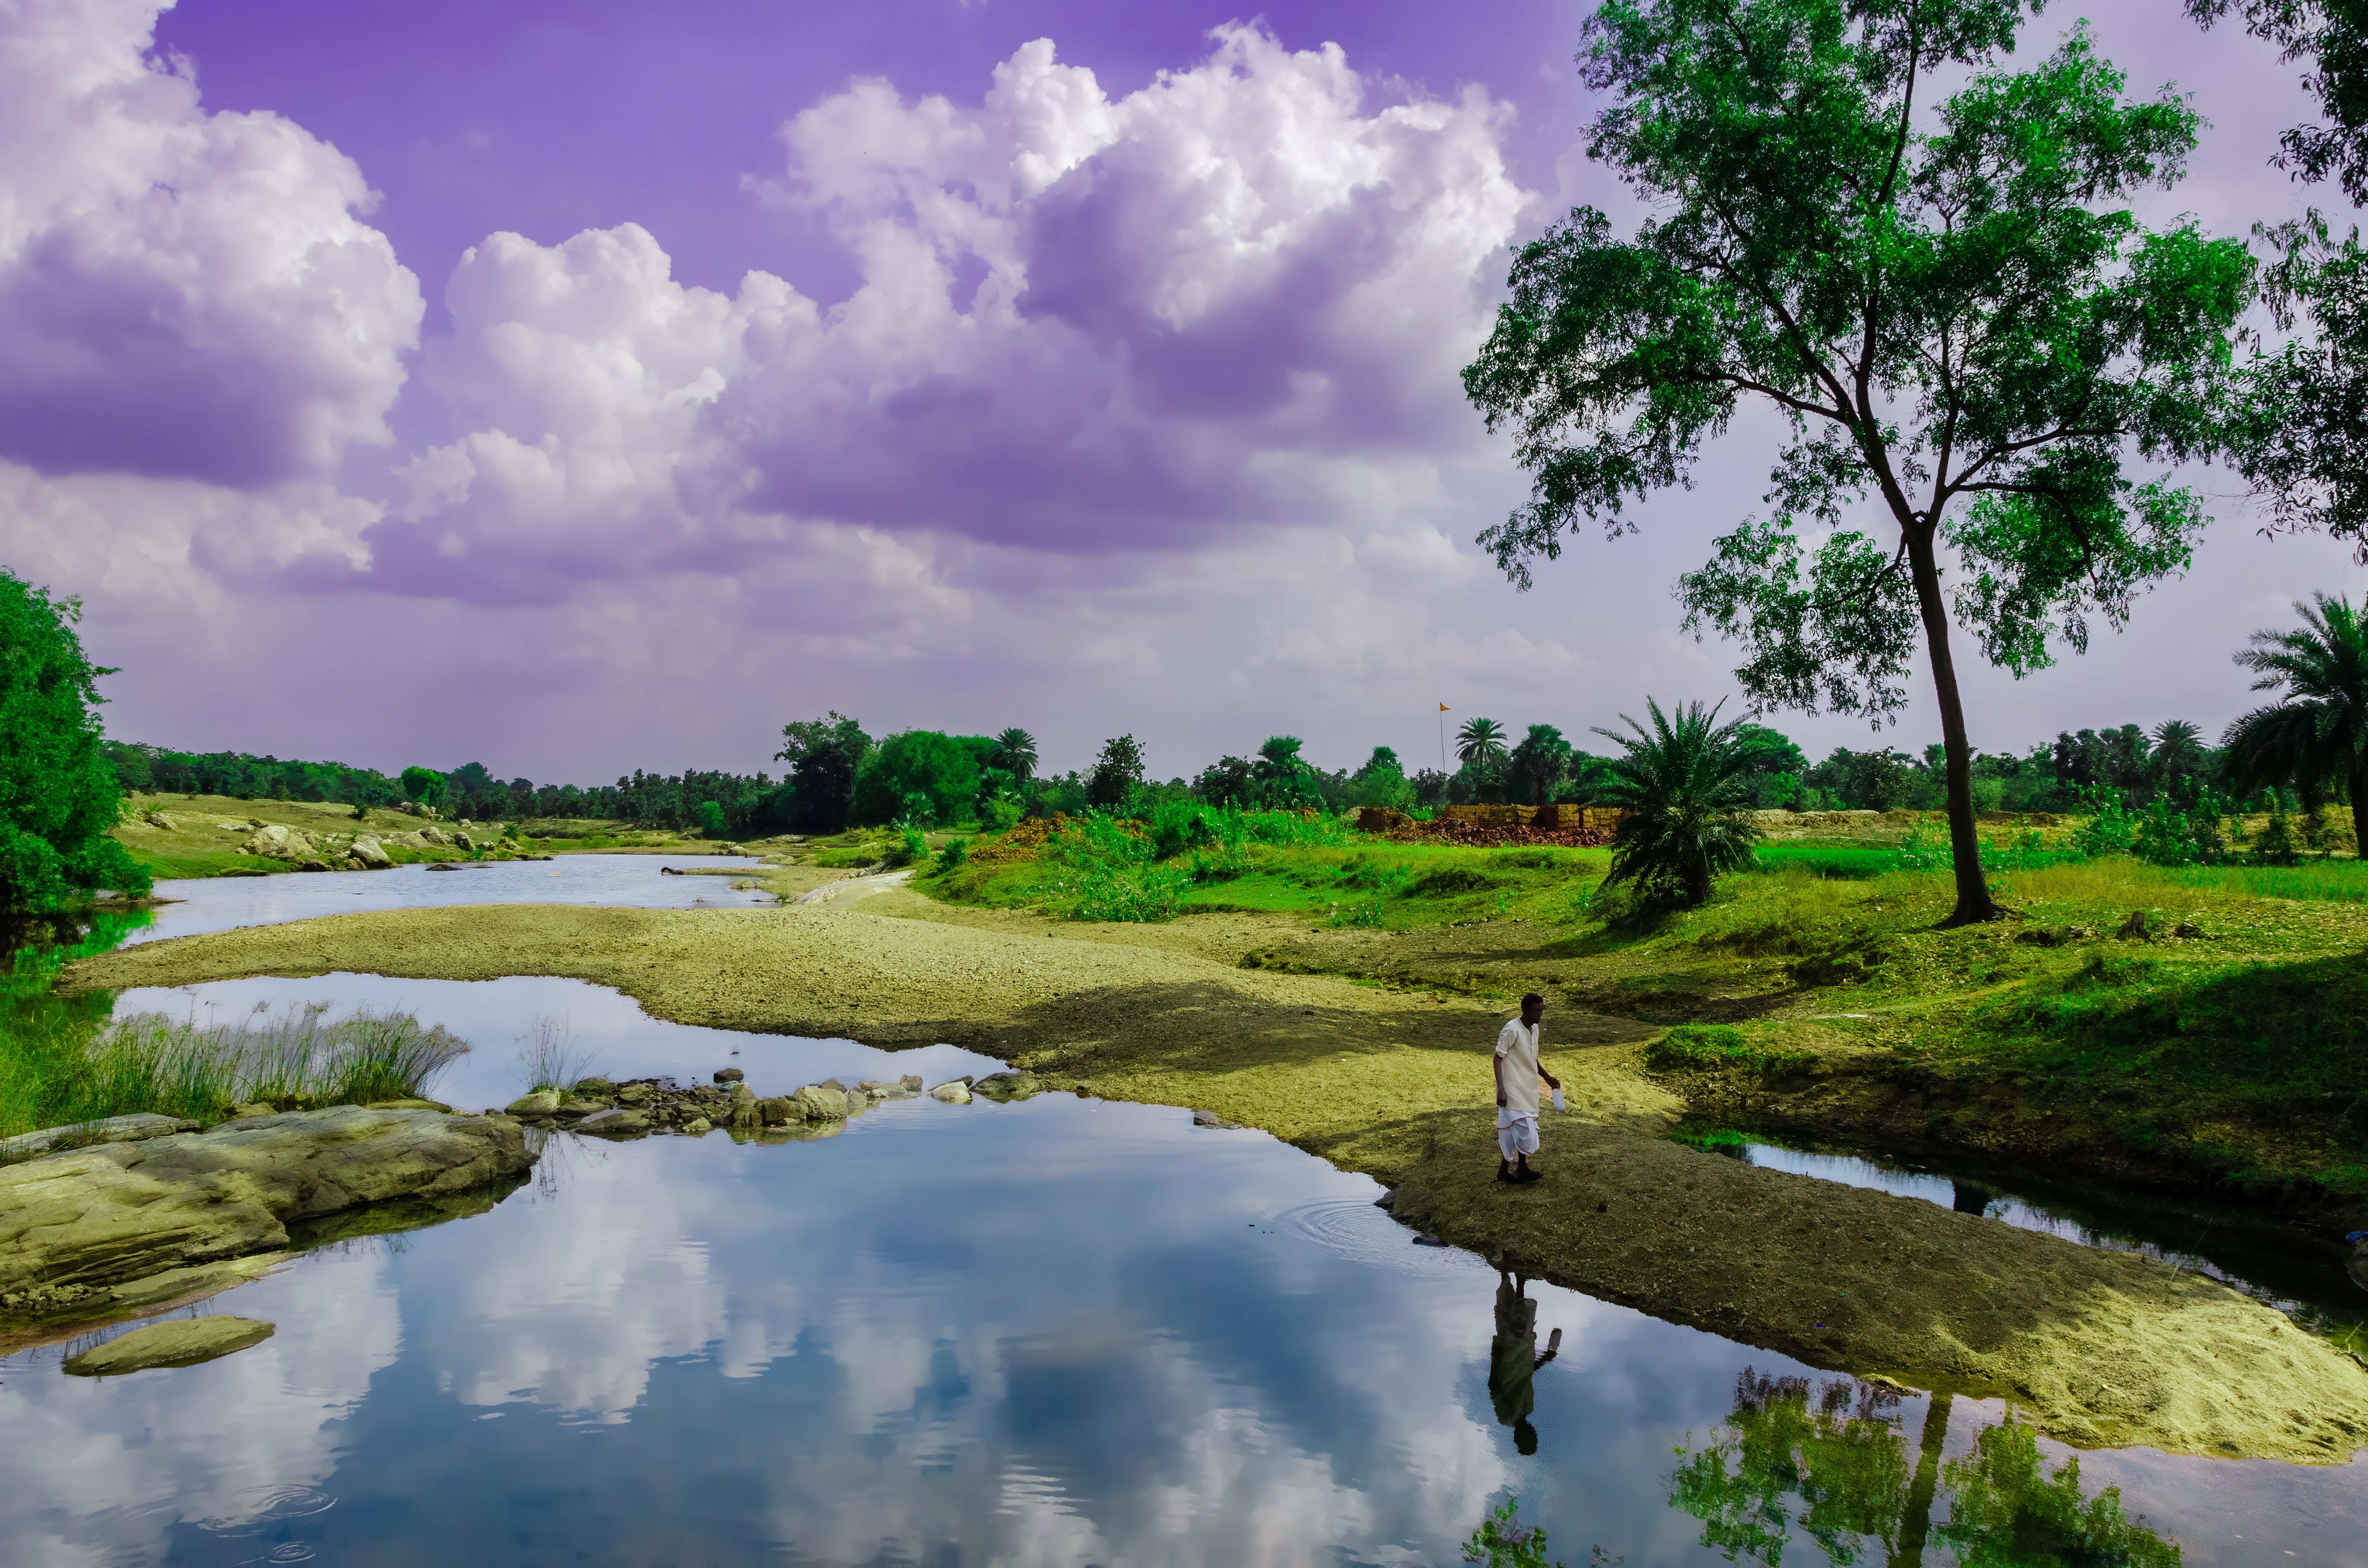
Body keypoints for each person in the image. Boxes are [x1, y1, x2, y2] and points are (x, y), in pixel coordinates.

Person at [1488, 1269, 1563, 1454]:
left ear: (1519, 1438)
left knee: (1507, 1318)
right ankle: (1520, 1280)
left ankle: (1504, 1274)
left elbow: (1494, 1388)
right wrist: (1545, 1359)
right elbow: (1526, 1376)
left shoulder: (1506, 1417)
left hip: (1508, 1356)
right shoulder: (1528, 1409)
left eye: (1530, 1437)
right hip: (1524, 1354)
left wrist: (1498, 1357)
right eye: (1534, 1436)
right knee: (1523, 1321)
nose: (1533, 1432)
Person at [1494, 992, 1559, 1184]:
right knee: (1523, 1129)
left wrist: (1547, 1077)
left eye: (1542, 1011)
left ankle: (1518, 1169)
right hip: (1512, 1087)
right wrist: (1501, 1090)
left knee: (1520, 1128)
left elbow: (1532, 1058)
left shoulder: (1535, 1029)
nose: (1540, 1014)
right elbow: (1498, 1058)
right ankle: (1511, 1171)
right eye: (1537, 1011)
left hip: (1528, 1087)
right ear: (1525, 1010)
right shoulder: (1512, 1029)